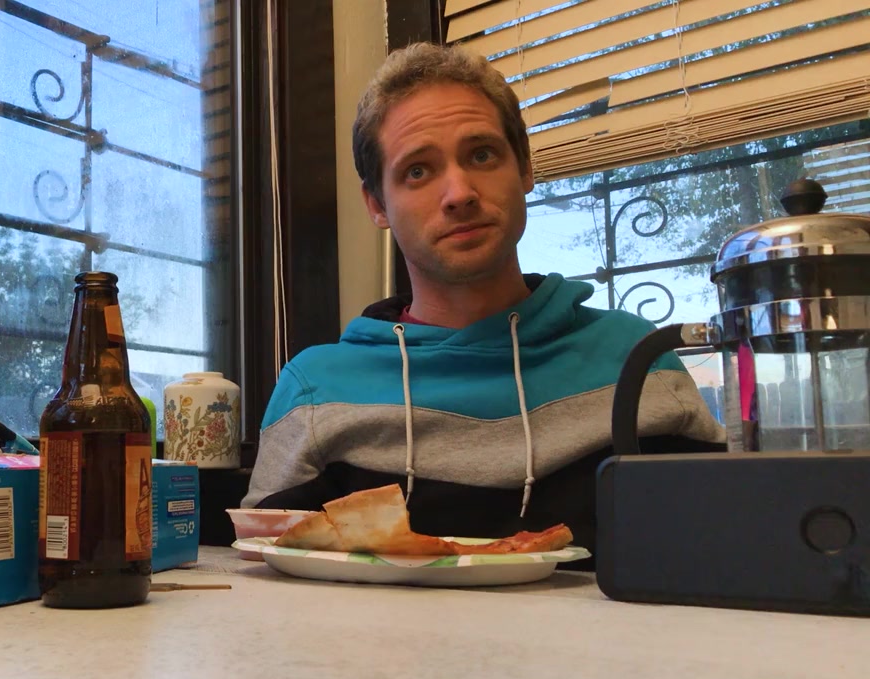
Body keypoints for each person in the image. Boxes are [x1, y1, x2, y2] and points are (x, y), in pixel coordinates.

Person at [242, 43, 724, 556]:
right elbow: (267, 576)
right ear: (377, 204)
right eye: (418, 171)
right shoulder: (314, 391)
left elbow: (720, 547)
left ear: (525, 168)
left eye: (481, 155)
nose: (459, 194)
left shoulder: (636, 359)